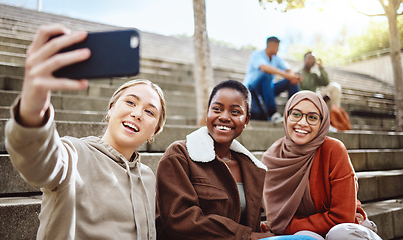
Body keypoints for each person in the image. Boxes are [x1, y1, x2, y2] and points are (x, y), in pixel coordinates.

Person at [4, 24, 166, 239]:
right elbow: (38, 161)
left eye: (149, 111)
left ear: (155, 131)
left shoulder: (147, 177)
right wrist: (33, 110)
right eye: (130, 102)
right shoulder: (73, 154)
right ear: (111, 109)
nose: (137, 113)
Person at [156, 80, 274, 240]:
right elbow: (179, 219)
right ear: (208, 113)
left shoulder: (252, 168)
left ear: (246, 120)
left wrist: (258, 229)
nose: (224, 117)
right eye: (217, 109)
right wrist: (247, 235)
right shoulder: (179, 155)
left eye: (235, 112)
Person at [261, 91, 381, 240]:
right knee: (302, 238)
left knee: (339, 233)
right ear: (286, 116)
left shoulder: (333, 150)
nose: (303, 123)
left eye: (312, 117)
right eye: (296, 114)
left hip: (346, 229)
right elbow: (276, 219)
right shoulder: (273, 158)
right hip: (305, 232)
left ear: (322, 123)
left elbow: (342, 217)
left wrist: (288, 227)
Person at [243, 36, 302, 124]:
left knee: (290, 81)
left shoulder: (276, 58)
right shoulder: (257, 55)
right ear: (270, 45)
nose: (278, 50)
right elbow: (264, 68)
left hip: (267, 89)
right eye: (277, 47)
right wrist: (288, 76)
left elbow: (288, 69)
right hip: (252, 88)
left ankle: (295, 112)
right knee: (267, 75)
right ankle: (273, 113)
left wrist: (295, 76)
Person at [299, 52, 350, 131]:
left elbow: (326, 82)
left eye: (313, 59)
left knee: (335, 87)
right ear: (304, 60)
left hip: (317, 96)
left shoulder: (314, 75)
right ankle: (329, 122)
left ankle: (334, 119)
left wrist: (320, 67)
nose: (311, 61)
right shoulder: (298, 73)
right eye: (309, 58)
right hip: (306, 98)